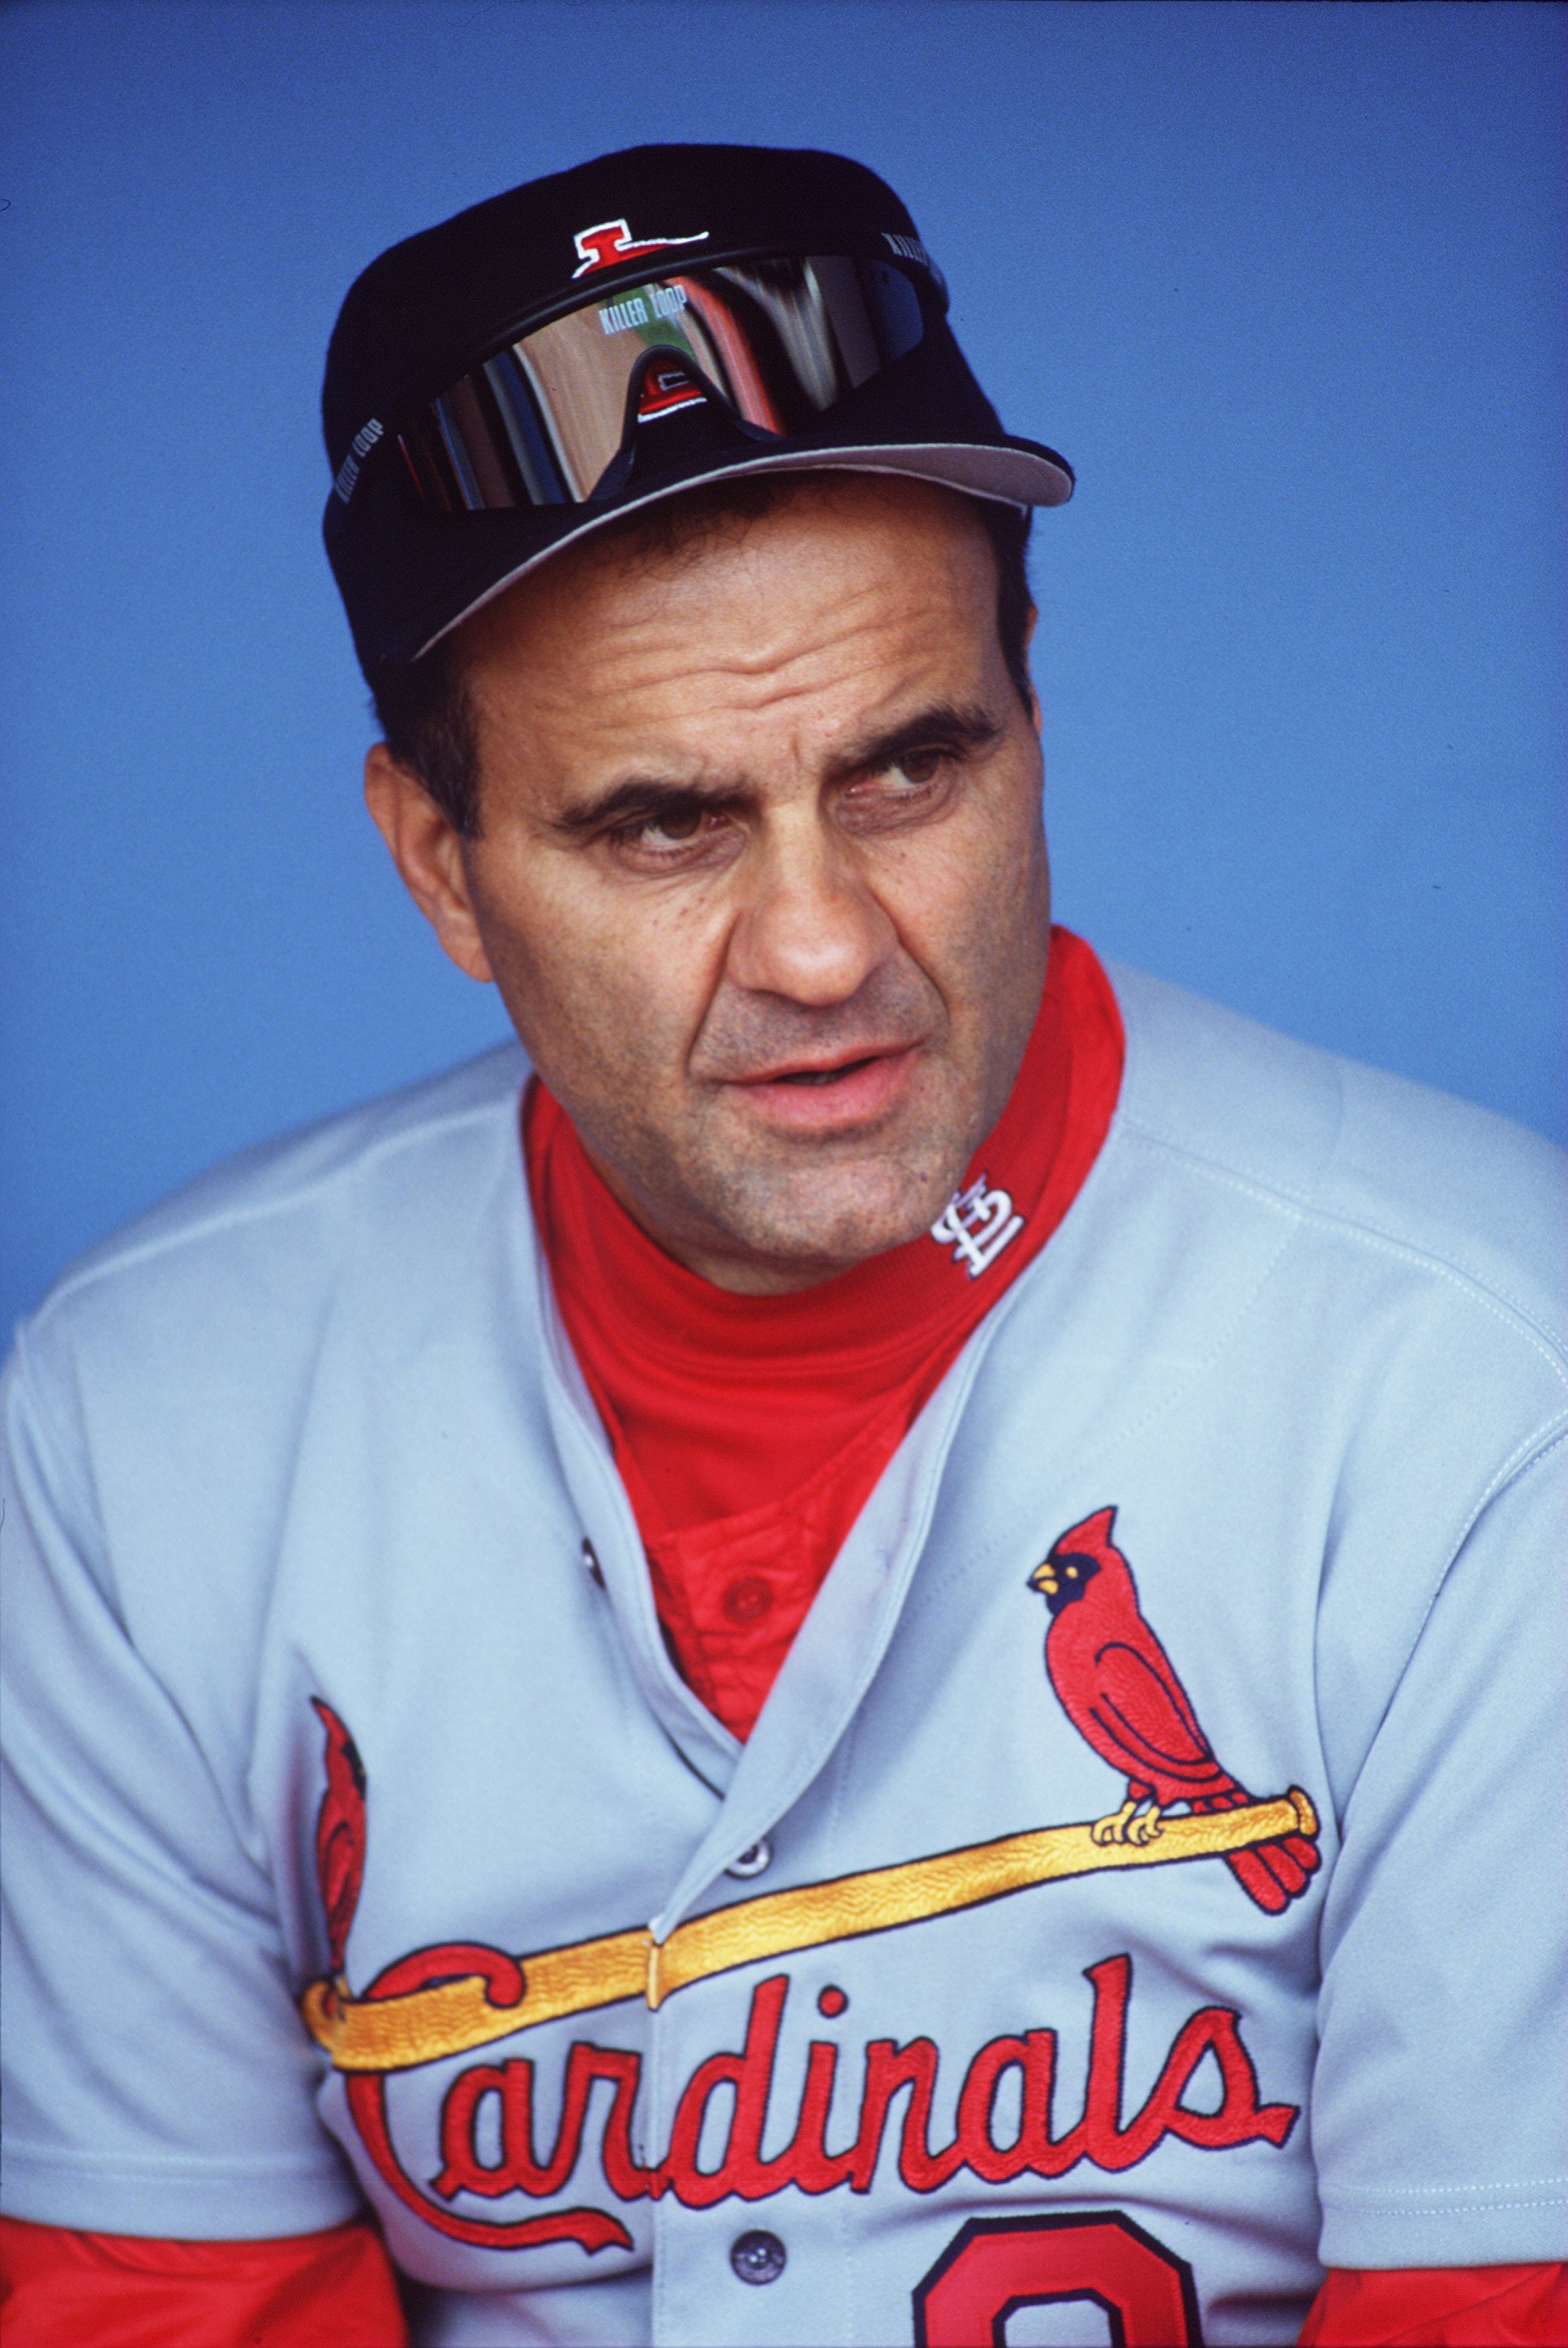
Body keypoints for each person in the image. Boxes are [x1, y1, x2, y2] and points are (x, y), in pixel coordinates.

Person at [1, 143, 1563, 2348]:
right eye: (663, 823)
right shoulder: (130, 1429)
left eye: (913, 771)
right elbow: (155, 2310)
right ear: (440, 868)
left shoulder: (1492, 1372)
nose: (826, 946)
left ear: (1034, 718)